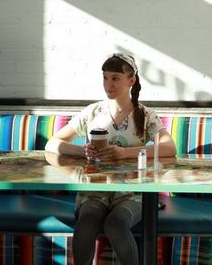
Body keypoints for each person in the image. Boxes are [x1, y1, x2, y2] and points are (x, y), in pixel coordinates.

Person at [45, 52, 176, 265]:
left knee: (115, 224)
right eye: (105, 77)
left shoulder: (145, 115)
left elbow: (169, 148)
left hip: (134, 191)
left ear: (131, 80)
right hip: (94, 189)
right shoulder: (92, 112)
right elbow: (52, 144)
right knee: (86, 221)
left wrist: (125, 153)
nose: (108, 84)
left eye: (115, 78)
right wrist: (82, 151)